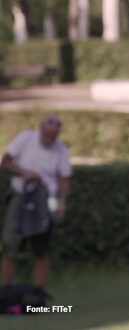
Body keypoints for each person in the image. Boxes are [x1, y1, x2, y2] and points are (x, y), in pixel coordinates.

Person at [1, 116, 71, 289]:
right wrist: (24, 172)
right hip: (21, 196)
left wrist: (60, 204)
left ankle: (38, 294)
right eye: (47, 135)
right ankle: (5, 291)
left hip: (48, 199)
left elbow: (64, 180)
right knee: (11, 243)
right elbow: (5, 162)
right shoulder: (25, 139)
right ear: (41, 130)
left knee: (43, 247)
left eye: (53, 136)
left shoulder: (62, 151)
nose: (50, 139)